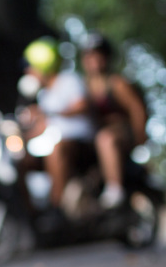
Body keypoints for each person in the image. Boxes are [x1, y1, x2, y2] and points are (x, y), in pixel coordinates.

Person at [21, 37, 96, 210]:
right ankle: (30, 210)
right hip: (55, 142)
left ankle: (56, 206)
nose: (28, 71)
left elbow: (81, 105)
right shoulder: (43, 95)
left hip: (80, 142)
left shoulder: (69, 80)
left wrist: (49, 112)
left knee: (56, 149)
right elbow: (43, 125)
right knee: (22, 159)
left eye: (30, 66)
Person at [80, 33, 148, 208]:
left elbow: (137, 110)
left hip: (120, 133)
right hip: (91, 138)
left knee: (105, 138)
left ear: (107, 58)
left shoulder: (117, 83)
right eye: (89, 55)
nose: (93, 59)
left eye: (98, 55)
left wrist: (139, 138)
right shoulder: (82, 87)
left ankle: (114, 190)